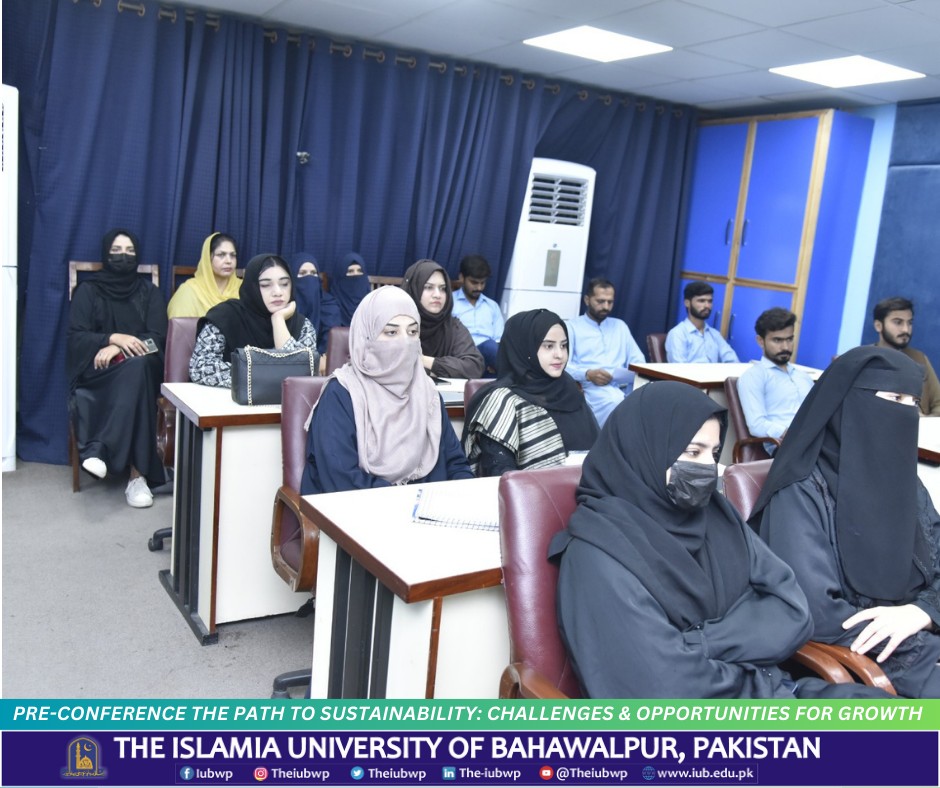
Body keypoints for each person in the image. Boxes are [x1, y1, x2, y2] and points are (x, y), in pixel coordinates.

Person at [548, 381, 887, 699]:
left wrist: (698, 643)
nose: (706, 469)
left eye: (712, 455)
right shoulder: (597, 554)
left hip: (780, 691)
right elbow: (662, 689)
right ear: (644, 450)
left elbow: (794, 612)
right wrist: (752, 650)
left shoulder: (716, 515)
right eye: (692, 452)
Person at [753, 346, 940, 698]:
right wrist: (923, 645)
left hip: (919, 633)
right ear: (850, 401)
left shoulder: (905, 484)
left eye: (913, 402)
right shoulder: (801, 491)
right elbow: (819, 613)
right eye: (894, 398)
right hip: (867, 658)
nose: (905, 412)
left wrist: (924, 612)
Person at [300, 286, 473, 494]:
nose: (405, 342)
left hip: (430, 508)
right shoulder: (341, 394)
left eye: (412, 332)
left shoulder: (426, 391)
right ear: (367, 338)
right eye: (391, 332)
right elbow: (342, 479)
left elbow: (455, 463)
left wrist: (466, 495)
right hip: (362, 508)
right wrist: (408, 501)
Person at [67, 229, 167, 508]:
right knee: (137, 374)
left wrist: (123, 349)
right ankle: (138, 476)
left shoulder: (150, 293)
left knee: (138, 368)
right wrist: (111, 338)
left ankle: (101, 450)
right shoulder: (88, 291)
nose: (124, 256)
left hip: (140, 369)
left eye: (130, 252)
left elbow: (158, 338)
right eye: (117, 251)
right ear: (105, 254)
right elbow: (76, 337)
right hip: (100, 373)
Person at [462, 309, 598, 476]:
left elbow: (599, 452)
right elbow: (500, 475)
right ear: (525, 348)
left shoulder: (569, 389)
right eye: (548, 346)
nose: (560, 355)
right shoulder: (503, 400)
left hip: (588, 487)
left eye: (563, 345)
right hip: (533, 491)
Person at [189, 254, 317, 388]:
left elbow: (303, 373)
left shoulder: (302, 325)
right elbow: (200, 368)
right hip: (226, 399)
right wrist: (261, 376)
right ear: (252, 287)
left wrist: (278, 321)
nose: (278, 292)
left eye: (284, 284)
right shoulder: (226, 317)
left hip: (282, 401)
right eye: (265, 285)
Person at [565, 278, 646, 427]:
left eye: (610, 302)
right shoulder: (572, 327)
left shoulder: (620, 326)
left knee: (649, 399)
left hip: (625, 384)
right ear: (587, 300)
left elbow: (638, 359)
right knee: (614, 401)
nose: (606, 307)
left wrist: (633, 372)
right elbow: (564, 365)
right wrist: (588, 374)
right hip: (594, 386)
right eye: (601, 301)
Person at [736, 307, 814, 452]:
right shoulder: (754, 376)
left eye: (789, 339)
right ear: (761, 341)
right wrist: (791, 433)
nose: (785, 347)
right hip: (784, 447)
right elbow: (757, 425)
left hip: (813, 443)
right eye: (777, 340)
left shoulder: (803, 377)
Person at [400, 259, 485, 379]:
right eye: (428, 287)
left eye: (442, 288)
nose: (437, 295)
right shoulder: (396, 325)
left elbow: (474, 367)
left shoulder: (453, 326)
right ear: (414, 289)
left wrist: (423, 360)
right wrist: (444, 370)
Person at [873, 296, 940, 416]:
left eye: (909, 323)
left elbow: (938, 403)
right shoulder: (864, 359)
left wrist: (925, 422)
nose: (906, 329)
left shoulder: (919, 358)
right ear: (878, 326)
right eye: (898, 322)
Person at [166, 232, 241, 318]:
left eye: (233, 255)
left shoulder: (244, 289)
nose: (229, 261)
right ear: (207, 258)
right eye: (221, 255)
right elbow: (179, 324)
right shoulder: (190, 291)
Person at [452, 254, 504, 375]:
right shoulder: (450, 303)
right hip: (461, 353)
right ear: (462, 277)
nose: (479, 287)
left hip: (488, 357)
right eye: (474, 282)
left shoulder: (492, 306)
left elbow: (499, 339)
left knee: (495, 349)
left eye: (483, 283)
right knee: (490, 348)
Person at [290, 252, 342, 371]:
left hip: (322, 368)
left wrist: (320, 361)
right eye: (303, 273)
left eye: (313, 273)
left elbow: (330, 345)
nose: (309, 278)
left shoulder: (329, 307)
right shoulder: (285, 306)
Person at [666, 281, 739, 363]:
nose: (707, 306)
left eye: (710, 301)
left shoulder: (714, 334)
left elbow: (733, 361)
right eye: (701, 301)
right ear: (687, 303)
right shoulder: (678, 334)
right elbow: (678, 368)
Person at [331, 252, 371, 325]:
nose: (356, 274)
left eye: (359, 271)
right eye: (350, 271)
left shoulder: (373, 306)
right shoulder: (330, 308)